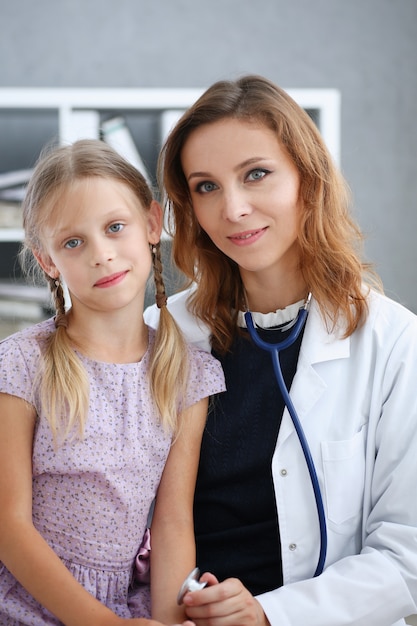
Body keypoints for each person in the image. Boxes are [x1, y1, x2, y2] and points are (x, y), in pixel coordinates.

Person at [144, 75, 417, 625]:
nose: (234, 208)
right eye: (206, 186)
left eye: (257, 175)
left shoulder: (392, 343)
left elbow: (405, 559)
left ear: (307, 181)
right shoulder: (158, 335)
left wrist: (269, 615)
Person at [0, 139, 225, 626]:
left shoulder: (190, 375)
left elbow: (171, 523)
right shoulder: (21, 363)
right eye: (73, 242)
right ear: (47, 261)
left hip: (129, 605)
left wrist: (165, 623)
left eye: (115, 227)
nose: (102, 254)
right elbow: (8, 526)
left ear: (150, 224)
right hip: (22, 605)